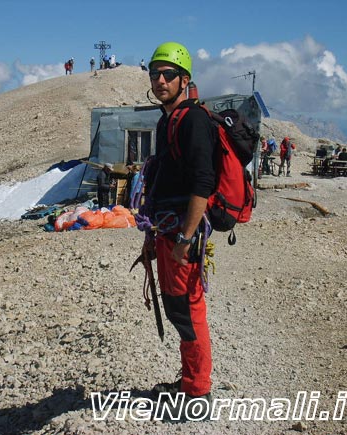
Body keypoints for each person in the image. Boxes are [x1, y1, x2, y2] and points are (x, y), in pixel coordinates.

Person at [144, 41, 217, 421]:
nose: (159, 80)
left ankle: (198, 393)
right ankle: (190, 383)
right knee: (178, 309)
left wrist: (186, 239)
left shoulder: (194, 120)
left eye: (167, 74)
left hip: (183, 237)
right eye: (154, 73)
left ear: (184, 79)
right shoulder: (166, 120)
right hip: (167, 232)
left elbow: (203, 183)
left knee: (188, 311)